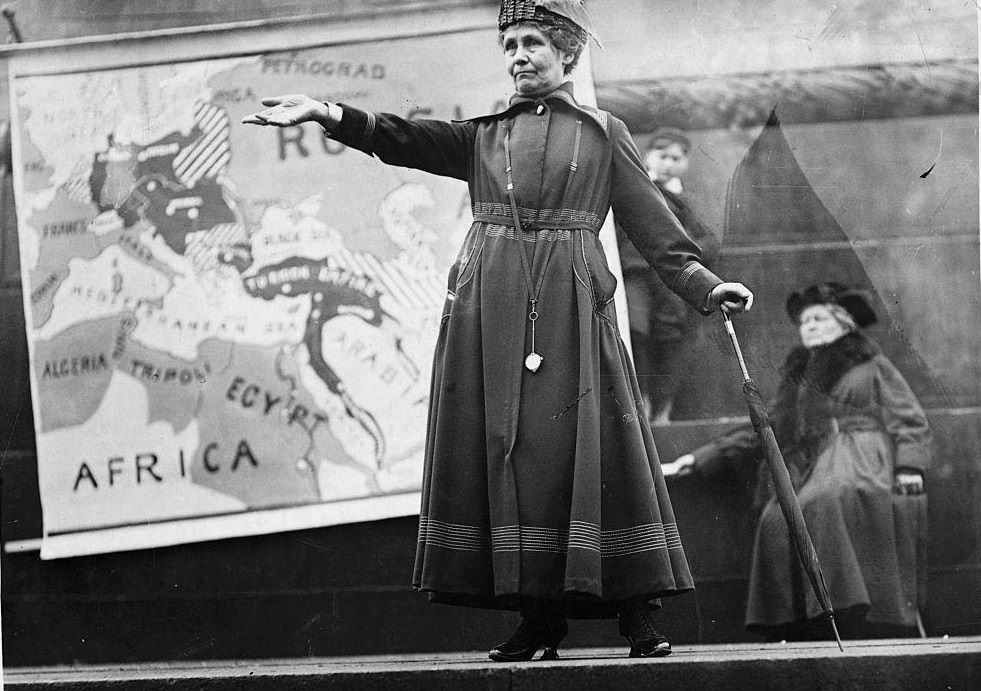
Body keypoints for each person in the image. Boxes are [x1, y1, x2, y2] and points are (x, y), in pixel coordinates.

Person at [244, 0, 753, 661]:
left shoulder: (602, 134)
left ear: (566, 54)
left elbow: (657, 233)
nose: (517, 53)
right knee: (511, 458)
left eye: (533, 41)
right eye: (509, 42)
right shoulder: (483, 134)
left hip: (571, 307)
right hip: (489, 311)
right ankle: (537, 620)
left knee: (594, 449)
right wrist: (326, 111)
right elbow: (400, 136)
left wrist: (707, 287)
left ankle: (638, 615)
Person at [664, 282, 931, 640]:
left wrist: (910, 466)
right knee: (778, 516)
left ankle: (844, 610)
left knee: (823, 501)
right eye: (805, 322)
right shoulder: (799, 376)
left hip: (861, 453)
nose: (811, 327)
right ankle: (796, 619)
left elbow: (909, 416)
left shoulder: (870, 363)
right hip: (813, 458)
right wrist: (700, 459)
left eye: (820, 319)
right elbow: (767, 427)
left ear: (845, 323)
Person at [616, 128, 721, 423]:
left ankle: (661, 409)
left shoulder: (687, 201)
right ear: (648, 156)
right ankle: (640, 404)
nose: (668, 163)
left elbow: (709, 240)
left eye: (676, 158)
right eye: (662, 156)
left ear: (685, 163)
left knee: (672, 339)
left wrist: (683, 248)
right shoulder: (631, 188)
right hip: (635, 274)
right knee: (636, 333)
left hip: (672, 280)